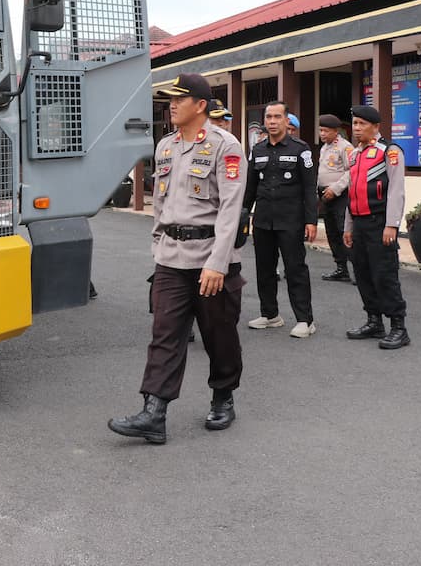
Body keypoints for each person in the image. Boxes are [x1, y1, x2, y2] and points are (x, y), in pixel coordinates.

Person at [108, 73, 247, 444]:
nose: (171, 105)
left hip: (210, 258)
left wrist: (218, 261)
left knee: (219, 335)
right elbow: (163, 202)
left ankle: (223, 396)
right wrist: (159, 242)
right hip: (171, 258)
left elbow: (231, 208)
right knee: (165, 334)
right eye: (169, 99)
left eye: (179, 99)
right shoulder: (166, 146)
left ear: (200, 105)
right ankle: (154, 412)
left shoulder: (225, 145)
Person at [243, 101, 318, 338]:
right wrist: (243, 214)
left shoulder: (300, 149)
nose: (272, 121)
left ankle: (305, 320)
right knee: (264, 268)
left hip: (291, 220)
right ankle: (270, 315)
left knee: (295, 269)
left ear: (287, 120)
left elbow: (309, 188)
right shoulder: (258, 150)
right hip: (263, 219)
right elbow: (250, 187)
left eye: (277, 117)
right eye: (268, 117)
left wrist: (311, 220)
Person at [343, 105, 410, 350]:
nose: (357, 128)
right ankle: (374, 320)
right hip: (359, 224)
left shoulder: (389, 152)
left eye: (362, 124)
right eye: (355, 123)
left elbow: (396, 192)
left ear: (376, 127)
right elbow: (352, 192)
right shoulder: (355, 154)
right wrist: (348, 227)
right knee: (363, 274)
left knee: (384, 276)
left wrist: (392, 225)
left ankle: (398, 327)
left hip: (379, 223)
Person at [317, 114, 354, 282]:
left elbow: (351, 171)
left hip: (339, 195)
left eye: (325, 131)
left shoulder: (345, 147)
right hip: (325, 195)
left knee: (343, 231)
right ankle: (341, 268)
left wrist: (336, 188)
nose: (322, 134)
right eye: (320, 130)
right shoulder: (324, 148)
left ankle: (356, 270)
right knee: (331, 232)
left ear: (335, 131)